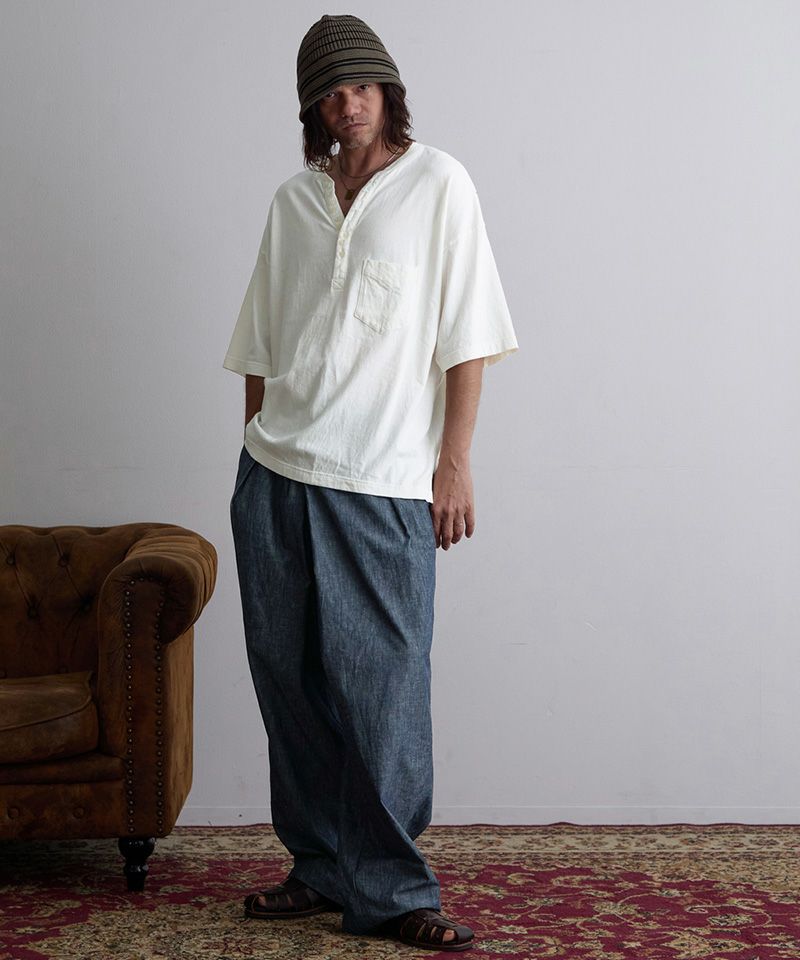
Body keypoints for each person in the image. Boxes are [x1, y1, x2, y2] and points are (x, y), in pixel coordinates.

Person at [224, 13, 519, 952]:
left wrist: (454, 463)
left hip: (384, 480)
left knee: (383, 688)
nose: (347, 104)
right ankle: (319, 867)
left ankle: (392, 890)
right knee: (290, 684)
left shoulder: (440, 185)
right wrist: (251, 459)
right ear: (311, 107)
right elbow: (261, 346)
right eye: (329, 92)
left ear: (389, 92)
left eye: (361, 86)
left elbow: (468, 336)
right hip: (276, 477)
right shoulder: (295, 202)